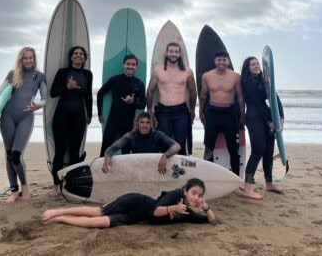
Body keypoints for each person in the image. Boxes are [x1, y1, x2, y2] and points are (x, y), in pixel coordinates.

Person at [0, 46, 46, 203]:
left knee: (16, 155)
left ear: (34, 59)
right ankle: (14, 191)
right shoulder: (13, 74)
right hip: (7, 117)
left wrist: (38, 105)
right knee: (8, 155)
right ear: (21, 60)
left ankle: (25, 186)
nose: (28, 60)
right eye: (25, 58)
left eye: (30, 57)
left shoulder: (39, 76)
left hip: (25, 118)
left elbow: (45, 99)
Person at [41, 178, 216, 227]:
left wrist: (205, 207)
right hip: (134, 202)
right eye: (194, 193)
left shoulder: (187, 212)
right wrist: (174, 208)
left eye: (200, 195)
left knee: (97, 223)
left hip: (136, 218)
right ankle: (57, 211)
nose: (196, 197)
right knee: (97, 212)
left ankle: (61, 219)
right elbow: (155, 211)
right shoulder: (174, 195)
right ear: (185, 190)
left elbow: (211, 220)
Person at [49, 46, 93, 196]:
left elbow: (88, 96)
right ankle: (56, 185)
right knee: (60, 151)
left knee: (75, 152)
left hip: (79, 117)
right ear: (71, 57)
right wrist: (67, 87)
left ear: (84, 58)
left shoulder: (88, 74)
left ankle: (71, 184)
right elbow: (53, 92)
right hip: (62, 115)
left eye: (81, 54)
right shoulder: (63, 72)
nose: (78, 56)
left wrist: (90, 115)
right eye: (76, 54)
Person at [240, 56, 284, 199]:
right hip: (254, 117)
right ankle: (247, 187)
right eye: (253, 64)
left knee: (269, 150)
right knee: (258, 150)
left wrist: (281, 117)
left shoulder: (264, 81)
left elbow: (274, 98)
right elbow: (258, 103)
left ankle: (269, 183)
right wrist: (269, 122)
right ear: (247, 67)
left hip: (266, 117)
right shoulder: (247, 82)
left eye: (258, 63)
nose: (256, 65)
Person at [199, 50, 245, 175]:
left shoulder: (235, 76)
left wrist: (242, 115)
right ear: (215, 61)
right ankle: (208, 175)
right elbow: (203, 96)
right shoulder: (207, 76)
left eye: (224, 59)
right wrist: (201, 112)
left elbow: (240, 97)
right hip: (212, 113)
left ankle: (235, 177)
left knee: (233, 148)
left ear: (228, 61)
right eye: (219, 59)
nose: (221, 62)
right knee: (209, 147)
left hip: (229, 114)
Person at [146, 42, 197, 155]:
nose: (173, 54)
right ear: (166, 53)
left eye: (176, 52)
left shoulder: (187, 71)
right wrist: (149, 109)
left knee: (181, 142)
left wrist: (192, 110)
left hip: (181, 111)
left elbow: (193, 91)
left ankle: (181, 171)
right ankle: (166, 169)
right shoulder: (158, 70)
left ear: (180, 54)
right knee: (165, 143)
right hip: (163, 111)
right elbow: (150, 90)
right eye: (171, 51)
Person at [97, 54, 146, 157]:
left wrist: (132, 103)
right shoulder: (115, 80)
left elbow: (142, 105)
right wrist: (100, 113)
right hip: (113, 120)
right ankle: (102, 170)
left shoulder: (139, 84)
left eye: (133, 64)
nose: (130, 66)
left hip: (128, 122)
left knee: (126, 151)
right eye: (128, 64)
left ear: (136, 67)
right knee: (105, 148)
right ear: (123, 65)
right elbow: (100, 93)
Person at [101, 112, 180, 175]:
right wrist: (108, 157)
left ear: (152, 124)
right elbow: (111, 149)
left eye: (148, 122)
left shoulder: (158, 135)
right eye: (142, 122)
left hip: (154, 168)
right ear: (137, 124)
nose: (144, 125)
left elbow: (176, 146)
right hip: (137, 169)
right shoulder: (131, 135)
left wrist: (165, 155)